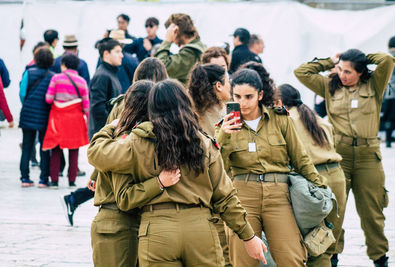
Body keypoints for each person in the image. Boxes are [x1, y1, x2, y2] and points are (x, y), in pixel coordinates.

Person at [87, 79, 267, 266]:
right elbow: (225, 197)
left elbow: (98, 154)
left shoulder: (138, 142)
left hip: (157, 230)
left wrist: (115, 125)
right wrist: (248, 236)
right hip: (200, 228)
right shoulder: (204, 143)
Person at [294, 49, 395, 267]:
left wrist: (361, 58)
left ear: (360, 72)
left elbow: (387, 60)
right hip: (339, 157)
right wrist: (330, 61)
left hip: (369, 157)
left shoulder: (374, 85)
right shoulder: (330, 86)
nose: (342, 74)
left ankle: (380, 258)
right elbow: (301, 72)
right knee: (334, 211)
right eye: (340, 69)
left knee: (372, 212)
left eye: (348, 71)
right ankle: (332, 256)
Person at [217, 69, 327, 266]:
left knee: (292, 257)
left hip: (278, 195)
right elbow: (218, 169)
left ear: (260, 95)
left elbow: (300, 159)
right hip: (242, 196)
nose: (243, 102)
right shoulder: (224, 127)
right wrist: (223, 135)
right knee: (242, 260)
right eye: (237, 96)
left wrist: (322, 189)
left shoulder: (280, 119)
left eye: (249, 96)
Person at [61, 57, 168, 226]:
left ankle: (74, 198)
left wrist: (96, 173)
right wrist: (96, 173)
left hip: (119, 163)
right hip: (129, 165)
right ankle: (73, 198)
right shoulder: (161, 105)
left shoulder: (125, 102)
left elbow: (109, 140)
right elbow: (111, 135)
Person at [274, 83, 346, 267]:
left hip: (312, 180)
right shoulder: (316, 117)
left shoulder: (286, 120)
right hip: (337, 176)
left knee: (314, 240)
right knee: (326, 237)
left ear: (280, 102)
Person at [90, 80, 157, 267]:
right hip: (138, 222)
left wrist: (112, 125)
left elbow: (94, 152)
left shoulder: (123, 140)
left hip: (114, 223)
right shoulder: (153, 139)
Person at [187, 63, 232, 266]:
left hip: (218, 186)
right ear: (218, 87)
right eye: (228, 82)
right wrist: (224, 134)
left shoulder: (217, 111)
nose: (231, 86)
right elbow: (207, 152)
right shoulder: (206, 116)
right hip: (213, 188)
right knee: (224, 249)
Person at [42, 53, 89, 188]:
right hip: (76, 119)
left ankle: (55, 180)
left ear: (63, 65)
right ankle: (72, 180)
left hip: (58, 118)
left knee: (56, 149)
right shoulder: (82, 81)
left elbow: (48, 99)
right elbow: (86, 105)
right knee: (74, 150)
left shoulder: (56, 78)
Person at [18, 48, 55, 187]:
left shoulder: (29, 72)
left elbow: (22, 93)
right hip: (45, 115)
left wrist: (27, 104)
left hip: (27, 113)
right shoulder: (53, 76)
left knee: (27, 146)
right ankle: (43, 179)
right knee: (44, 147)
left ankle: (24, 178)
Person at [155, 13, 206, 85]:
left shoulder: (191, 53)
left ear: (176, 31)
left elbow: (161, 66)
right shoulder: (198, 46)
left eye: (170, 32)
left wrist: (167, 40)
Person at [89, 38, 123, 139]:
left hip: (110, 132)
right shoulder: (102, 75)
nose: (121, 55)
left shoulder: (111, 72)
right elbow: (98, 108)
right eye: (117, 52)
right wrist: (111, 127)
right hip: (103, 135)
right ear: (106, 54)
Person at [381, 36, 395, 148]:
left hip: (390, 92)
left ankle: (388, 139)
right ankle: (389, 138)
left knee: (389, 117)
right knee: (391, 116)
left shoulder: (386, 59)